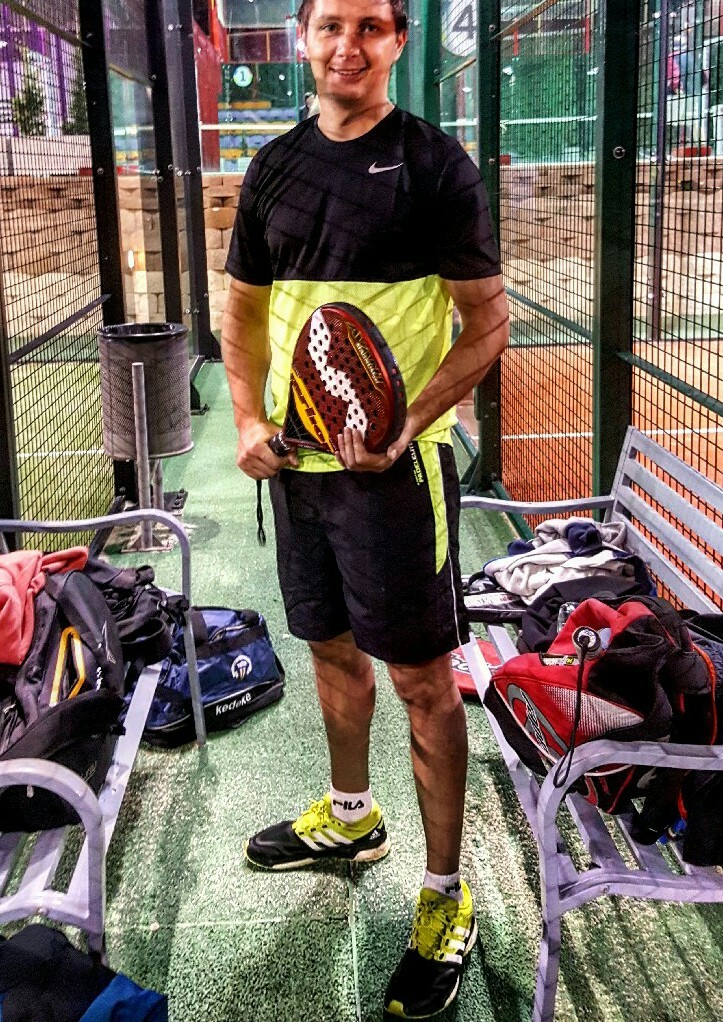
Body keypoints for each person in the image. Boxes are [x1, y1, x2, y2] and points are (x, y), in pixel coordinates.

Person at [221, 0, 509, 1016]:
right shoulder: (273, 168)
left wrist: (409, 420)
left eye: (371, 26)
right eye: (330, 25)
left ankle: (445, 892)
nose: (348, 44)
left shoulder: (434, 167)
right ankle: (351, 816)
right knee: (330, 652)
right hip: (298, 471)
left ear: (397, 41)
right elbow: (244, 310)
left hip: (397, 475)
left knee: (423, 683)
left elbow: (486, 322)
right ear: (302, 37)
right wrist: (246, 418)